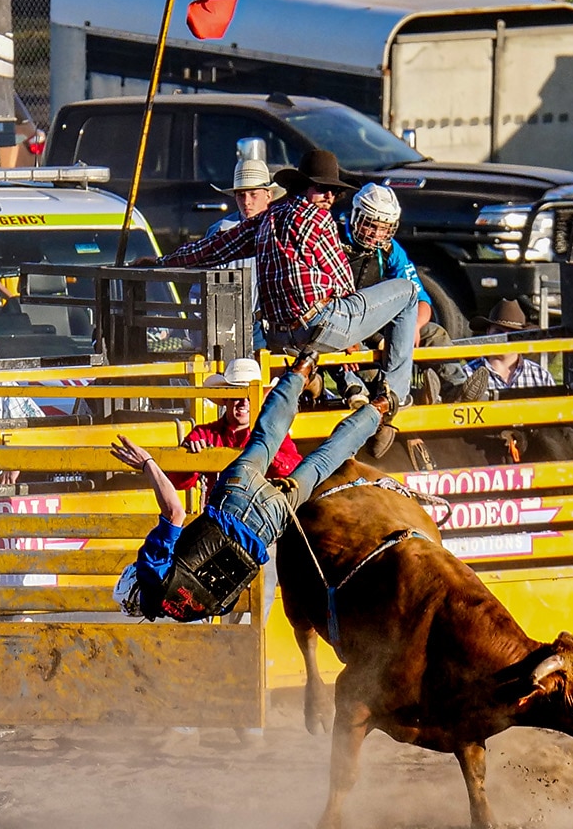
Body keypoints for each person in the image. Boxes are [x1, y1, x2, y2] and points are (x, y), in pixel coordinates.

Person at [155, 150, 416, 454]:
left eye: (333, 191)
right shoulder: (317, 218)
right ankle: (392, 397)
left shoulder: (266, 219)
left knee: (337, 320)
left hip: (280, 334)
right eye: (323, 189)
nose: (329, 196)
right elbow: (343, 281)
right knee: (408, 292)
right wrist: (353, 338)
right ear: (305, 188)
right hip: (321, 323)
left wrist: (161, 261)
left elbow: (212, 249)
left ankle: (318, 378)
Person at [110, 349, 382, 622]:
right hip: (233, 501)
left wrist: (199, 457)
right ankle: (299, 372)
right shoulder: (150, 569)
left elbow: (227, 600)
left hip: (265, 527)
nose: (241, 402)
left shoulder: (188, 611)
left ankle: (376, 411)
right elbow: (176, 510)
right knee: (267, 438)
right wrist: (148, 463)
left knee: (321, 463)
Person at [337, 183, 472, 403]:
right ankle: (385, 395)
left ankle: (457, 389)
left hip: (382, 322)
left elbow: (421, 299)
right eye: (370, 226)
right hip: (347, 326)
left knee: (434, 333)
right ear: (356, 216)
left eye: (384, 228)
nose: (377, 234)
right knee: (357, 355)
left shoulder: (391, 250)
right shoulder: (334, 242)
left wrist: (414, 326)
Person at [166, 358, 299, 494]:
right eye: (237, 396)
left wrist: (270, 453)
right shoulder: (202, 434)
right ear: (225, 398)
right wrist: (193, 459)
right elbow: (177, 482)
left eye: (250, 397)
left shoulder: (274, 434)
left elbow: (294, 470)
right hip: (218, 511)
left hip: (260, 510)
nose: (244, 403)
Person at [460, 300, 554, 393]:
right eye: (498, 332)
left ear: (522, 336)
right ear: (488, 332)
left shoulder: (541, 377)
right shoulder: (467, 375)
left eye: (513, 333)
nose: (505, 339)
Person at [202, 157, 282, 236]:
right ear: (235, 197)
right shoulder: (220, 231)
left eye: (253, 194)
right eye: (241, 195)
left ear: (268, 196)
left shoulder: (281, 228)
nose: (246, 201)